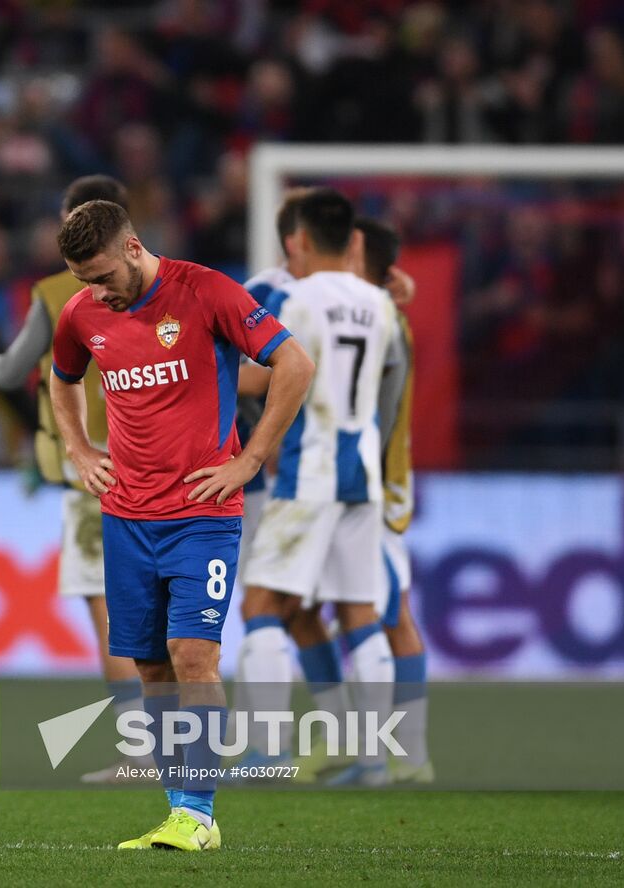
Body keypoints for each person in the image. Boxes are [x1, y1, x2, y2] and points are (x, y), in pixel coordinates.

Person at [50, 199, 313, 851]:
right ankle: (181, 810)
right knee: (149, 668)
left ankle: (198, 813)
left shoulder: (207, 292)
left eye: (104, 276)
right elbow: (61, 380)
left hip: (203, 514)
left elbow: (295, 364)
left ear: (133, 248)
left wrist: (250, 459)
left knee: (194, 654)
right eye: (84, 281)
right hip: (126, 517)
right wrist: (80, 450)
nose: (96, 293)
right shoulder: (81, 313)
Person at [0, 175, 150, 780]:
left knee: (112, 610)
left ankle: (140, 750)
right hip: (163, 461)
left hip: (97, 469)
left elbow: (10, 372)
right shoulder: (171, 281)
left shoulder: (62, 290)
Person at [236, 189, 402, 788]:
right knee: (359, 611)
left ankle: (267, 749)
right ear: (353, 241)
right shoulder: (380, 304)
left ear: (298, 242)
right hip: (364, 469)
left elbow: (262, 377)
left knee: (260, 606)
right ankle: (375, 759)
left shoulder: (294, 298)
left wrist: (213, 374)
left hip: (310, 470)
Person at [351, 216, 431, 785]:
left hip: (371, 486)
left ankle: (393, 757)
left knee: (381, 612)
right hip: (376, 481)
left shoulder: (378, 320)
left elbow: (377, 414)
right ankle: (403, 755)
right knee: (379, 612)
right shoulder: (382, 313)